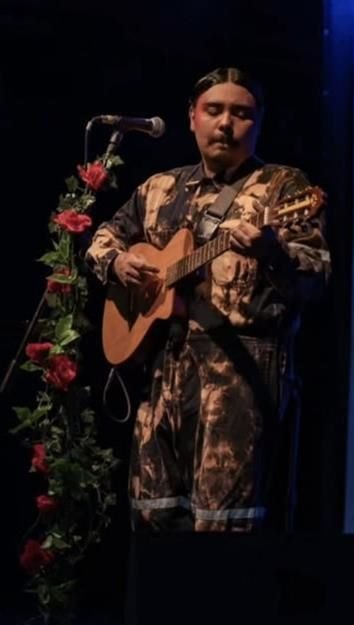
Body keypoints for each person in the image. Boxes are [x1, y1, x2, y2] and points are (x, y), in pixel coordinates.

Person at [85, 67, 330, 532]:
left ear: (258, 123)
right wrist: (117, 263)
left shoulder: (284, 188)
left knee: (226, 528)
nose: (226, 123)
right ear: (192, 118)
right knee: (154, 521)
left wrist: (270, 250)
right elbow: (103, 238)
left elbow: (316, 277)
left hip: (241, 376)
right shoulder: (159, 189)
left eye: (242, 114)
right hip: (162, 375)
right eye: (214, 110)